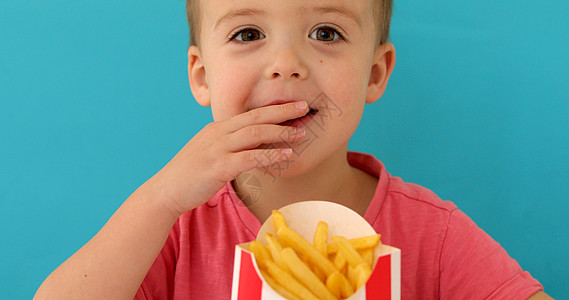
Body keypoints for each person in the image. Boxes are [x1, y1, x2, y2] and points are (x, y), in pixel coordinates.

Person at [35, 0, 553, 299]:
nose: (286, 63)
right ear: (202, 77)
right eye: (248, 33)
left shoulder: (433, 235)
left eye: (325, 32)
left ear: (375, 73)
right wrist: (160, 199)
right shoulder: (173, 228)